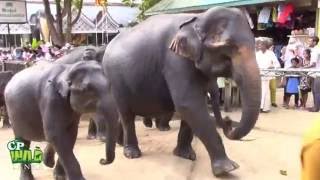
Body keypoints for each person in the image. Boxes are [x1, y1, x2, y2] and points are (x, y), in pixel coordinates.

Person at [256, 38, 280, 112]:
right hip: (259, 74)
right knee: (260, 91)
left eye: (262, 44)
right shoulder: (257, 54)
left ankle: (265, 108)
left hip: (267, 75)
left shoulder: (271, 53)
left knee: (266, 91)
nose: (260, 46)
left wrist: (272, 66)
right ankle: (259, 107)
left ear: (265, 45)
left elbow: (277, 64)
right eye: (259, 44)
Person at [304, 36, 320, 112]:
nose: (308, 42)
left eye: (310, 41)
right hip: (314, 73)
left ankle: (316, 108)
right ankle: (315, 106)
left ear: (314, 42)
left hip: (317, 73)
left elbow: (313, 64)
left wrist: (305, 68)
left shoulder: (316, 51)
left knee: (316, 91)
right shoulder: (314, 50)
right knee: (314, 91)